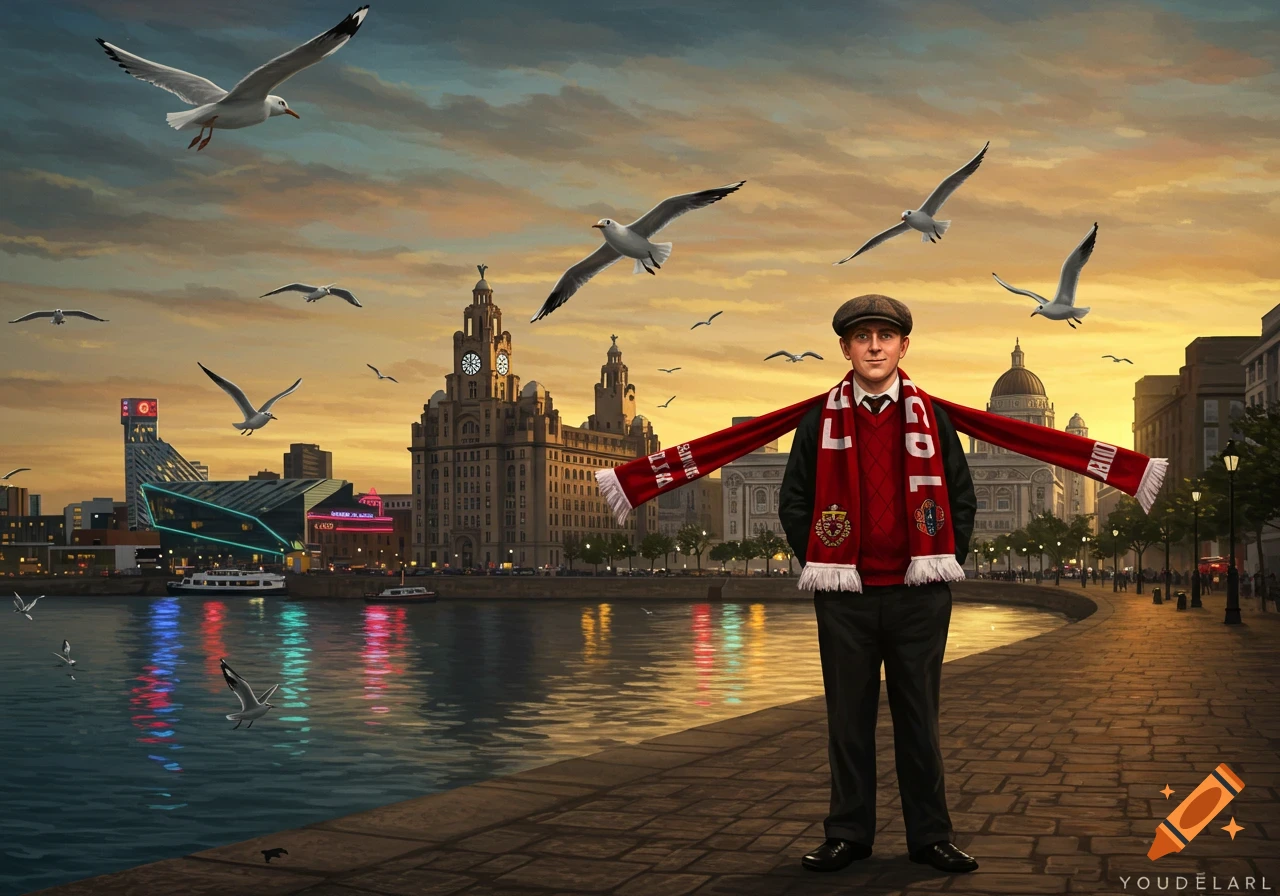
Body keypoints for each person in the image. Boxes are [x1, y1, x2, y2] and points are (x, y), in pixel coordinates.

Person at [780, 295, 980, 874]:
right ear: (844, 348)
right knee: (848, 722)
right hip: (846, 600)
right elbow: (795, 501)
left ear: (903, 346)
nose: (873, 346)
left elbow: (960, 497)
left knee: (920, 721)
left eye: (884, 337)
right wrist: (825, 559)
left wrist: (941, 557)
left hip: (919, 597)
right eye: (861, 337)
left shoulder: (933, 417)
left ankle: (930, 837)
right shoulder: (818, 420)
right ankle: (848, 834)